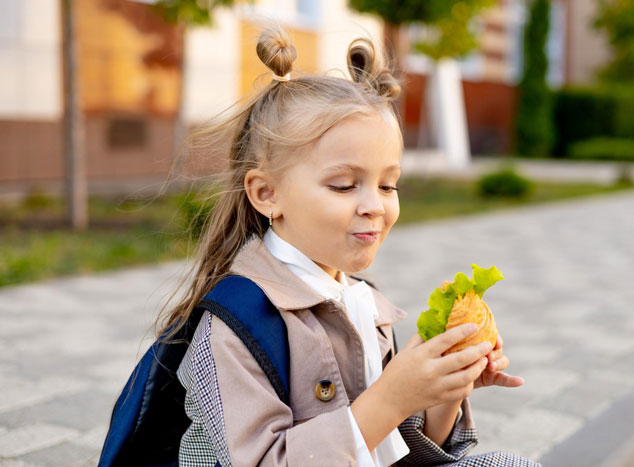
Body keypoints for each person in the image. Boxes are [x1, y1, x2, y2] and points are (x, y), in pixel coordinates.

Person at [154, 24, 541, 467]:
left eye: (388, 185)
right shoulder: (234, 326)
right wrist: (390, 399)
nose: (374, 206)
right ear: (266, 194)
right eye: (343, 185)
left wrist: (443, 392)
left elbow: (397, 452)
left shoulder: (363, 304)